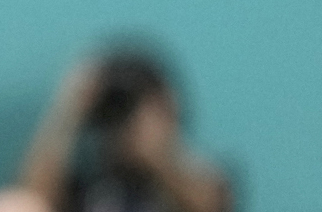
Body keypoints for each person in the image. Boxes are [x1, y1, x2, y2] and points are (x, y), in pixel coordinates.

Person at [19, 51, 231, 212]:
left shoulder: (198, 176)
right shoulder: (91, 185)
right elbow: (31, 200)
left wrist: (155, 151)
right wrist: (68, 111)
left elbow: (208, 204)